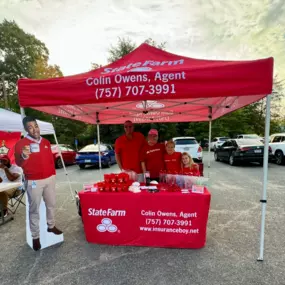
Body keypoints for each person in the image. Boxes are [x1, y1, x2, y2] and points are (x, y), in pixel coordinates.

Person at [14, 116, 62, 251]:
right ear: (25, 129)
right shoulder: (21, 144)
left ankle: (51, 226)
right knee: (34, 209)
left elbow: (50, 161)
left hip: (49, 179)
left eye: (35, 125)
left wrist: (53, 175)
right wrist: (24, 156)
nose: (34, 129)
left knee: (51, 204)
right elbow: (18, 163)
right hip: (34, 180)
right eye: (30, 127)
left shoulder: (46, 141)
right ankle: (35, 237)